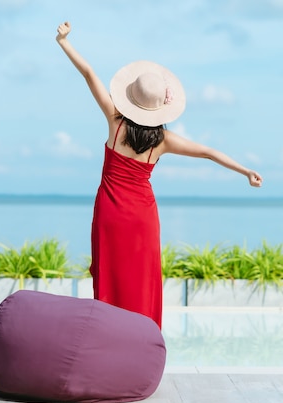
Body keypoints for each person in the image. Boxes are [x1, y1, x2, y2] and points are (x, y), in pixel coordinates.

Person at [56, 21, 262, 329]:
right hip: (142, 216)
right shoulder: (163, 141)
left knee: (110, 274)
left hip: (110, 213)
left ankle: (107, 341)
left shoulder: (116, 123)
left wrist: (64, 42)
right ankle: (142, 342)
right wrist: (245, 170)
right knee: (142, 278)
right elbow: (208, 151)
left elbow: (89, 74)